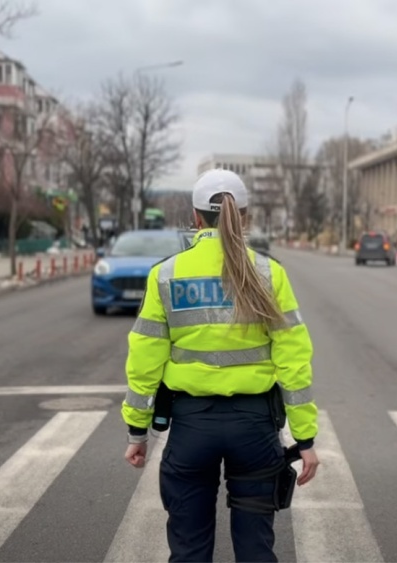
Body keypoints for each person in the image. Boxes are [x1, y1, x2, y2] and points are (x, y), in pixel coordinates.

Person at [122, 169, 320, 562]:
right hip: (255, 429)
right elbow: (293, 361)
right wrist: (306, 439)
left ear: (196, 217)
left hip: (191, 429)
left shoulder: (166, 274)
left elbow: (145, 360)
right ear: (244, 216)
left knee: (189, 549)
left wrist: (137, 431)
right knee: (256, 550)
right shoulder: (269, 273)